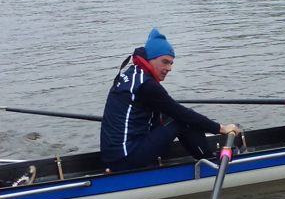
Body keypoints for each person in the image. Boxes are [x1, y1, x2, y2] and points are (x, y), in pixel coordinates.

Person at [100, 28, 240, 171]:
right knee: (181, 120)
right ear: (150, 59)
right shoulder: (147, 86)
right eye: (165, 62)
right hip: (125, 159)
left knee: (168, 115)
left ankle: (199, 158)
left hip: (112, 157)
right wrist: (221, 128)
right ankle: (211, 165)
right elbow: (181, 114)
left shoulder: (132, 73)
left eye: (171, 63)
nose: (169, 68)